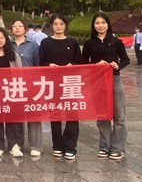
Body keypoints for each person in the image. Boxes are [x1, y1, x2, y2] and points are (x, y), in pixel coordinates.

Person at [82, 13, 129, 160]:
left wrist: (117, 65)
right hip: (97, 82)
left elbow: (126, 59)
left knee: (119, 116)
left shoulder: (116, 42)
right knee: (102, 116)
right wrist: (95, 65)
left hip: (114, 80)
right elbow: (83, 62)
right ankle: (104, 147)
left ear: (108, 24)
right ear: (93, 26)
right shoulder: (89, 43)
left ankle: (118, 148)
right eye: (97, 23)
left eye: (103, 22)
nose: (100, 25)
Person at [39, 13, 83, 160]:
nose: (58, 27)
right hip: (53, 83)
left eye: (61, 24)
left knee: (72, 115)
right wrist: (48, 65)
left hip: (70, 82)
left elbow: (79, 61)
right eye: (56, 24)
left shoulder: (72, 42)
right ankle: (57, 145)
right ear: (51, 26)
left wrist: (72, 65)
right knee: (55, 115)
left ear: (65, 26)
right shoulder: (46, 42)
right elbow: (41, 61)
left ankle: (70, 146)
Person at [0, 28, 24, 158]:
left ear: (6, 39)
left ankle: (14, 145)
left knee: (12, 118)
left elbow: (20, 73)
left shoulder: (13, 55)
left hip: (11, 90)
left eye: (1, 37)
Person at [10, 19, 42, 156]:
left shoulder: (33, 45)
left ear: (25, 29)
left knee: (33, 114)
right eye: (14, 26)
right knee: (16, 115)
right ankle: (17, 144)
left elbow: (38, 65)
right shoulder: (8, 45)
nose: (17, 28)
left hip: (31, 84)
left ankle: (35, 146)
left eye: (20, 26)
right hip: (13, 85)